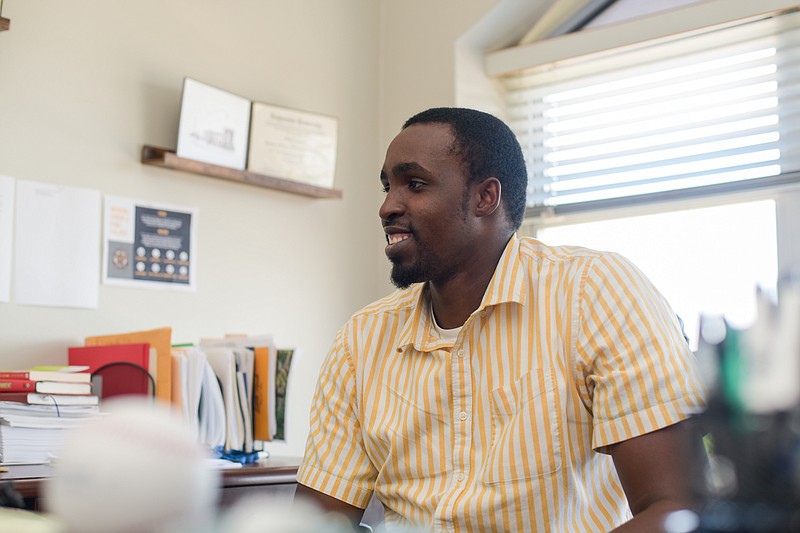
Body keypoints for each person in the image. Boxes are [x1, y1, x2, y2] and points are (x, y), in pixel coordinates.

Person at [295, 107, 705, 532]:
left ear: (485, 197)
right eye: (387, 187)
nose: (387, 207)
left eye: (414, 184)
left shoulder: (594, 292)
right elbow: (312, 525)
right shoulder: (361, 339)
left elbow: (675, 509)